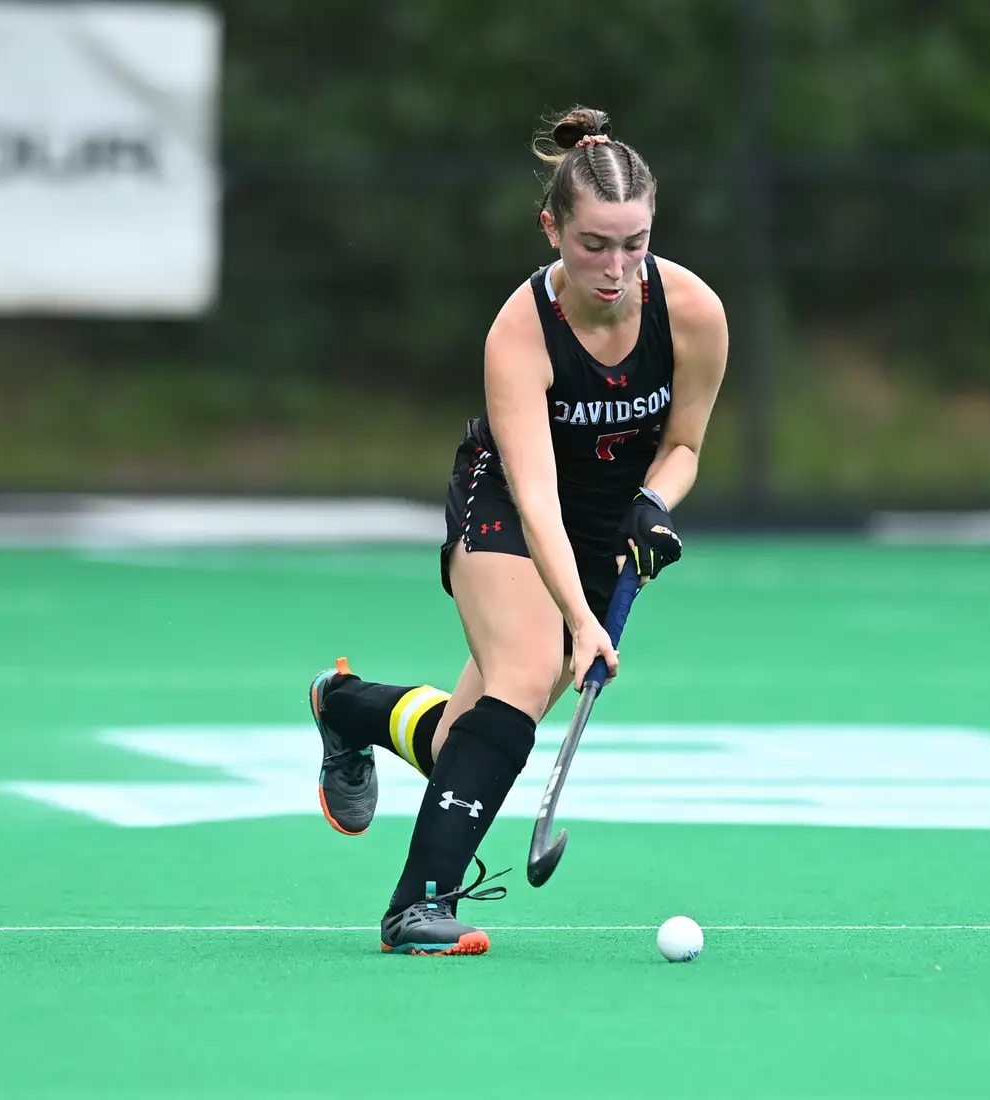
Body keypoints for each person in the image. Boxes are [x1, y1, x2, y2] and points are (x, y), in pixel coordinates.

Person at [306, 105, 729, 955]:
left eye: (634, 243)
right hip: (504, 498)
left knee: (467, 744)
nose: (615, 269)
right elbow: (536, 497)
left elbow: (682, 445)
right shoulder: (520, 331)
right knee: (529, 671)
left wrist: (657, 506)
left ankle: (346, 708)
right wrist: (580, 618)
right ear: (552, 230)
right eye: (593, 245)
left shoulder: (692, 311)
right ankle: (418, 906)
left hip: (607, 521)